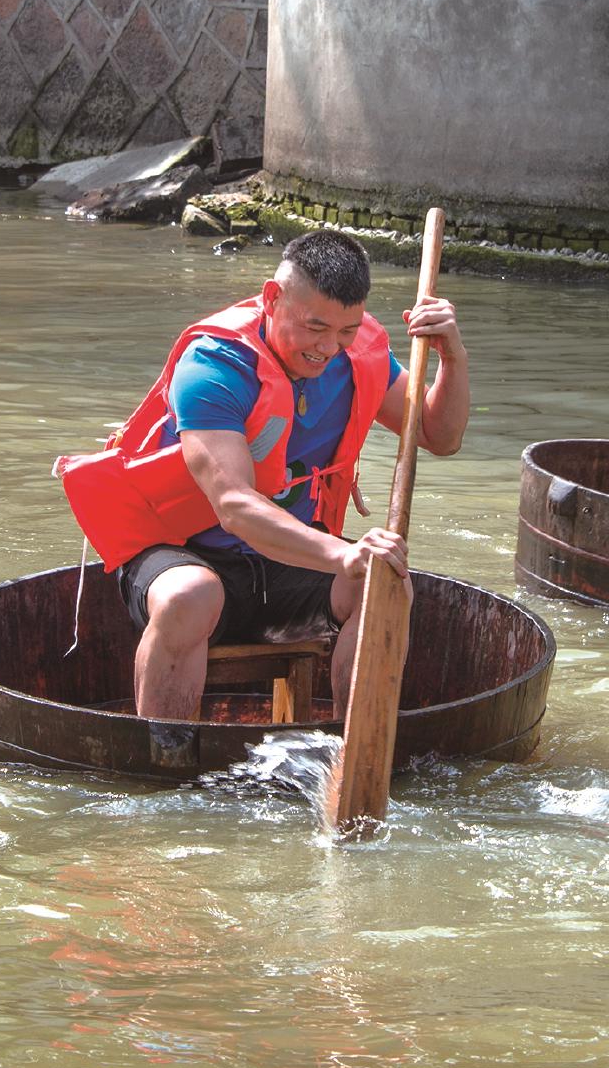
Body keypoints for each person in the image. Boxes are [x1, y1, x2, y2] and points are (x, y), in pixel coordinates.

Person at [55, 229, 468, 720]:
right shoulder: (215, 365)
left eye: (346, 330)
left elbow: (440, 437)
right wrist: (344, 552)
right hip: (185, 552)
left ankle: (348, 755)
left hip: (282, 561)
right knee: (191, 595)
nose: (329, 348)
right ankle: (164, 768)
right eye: (315, 327)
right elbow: (234, 505)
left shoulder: (358, 355)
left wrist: (451, 356)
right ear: (273, 299)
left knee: (386, 584)